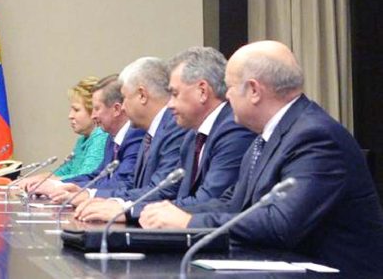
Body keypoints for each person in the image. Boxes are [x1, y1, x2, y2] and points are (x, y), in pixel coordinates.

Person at [141, 41, 383, 276]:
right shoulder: (266, 137)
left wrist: (189, 222)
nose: (227, 98)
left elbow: (280, 223)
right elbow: (234, 203)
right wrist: (171, 211)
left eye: (230, 88)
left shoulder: (315, 136)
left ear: (254, 91)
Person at [133, 47, 254, 218]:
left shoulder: (234, 129)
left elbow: (210, 199)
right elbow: (170, 188)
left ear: (202, 91)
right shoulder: (192, 135)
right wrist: (123, 207)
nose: (169, 105)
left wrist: (134, 211)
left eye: (175, 94)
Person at [71, 56, 185, 222]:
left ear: (142, 95)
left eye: (124, 98)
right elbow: (135, 186)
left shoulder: (173, 129)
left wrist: (121, 207)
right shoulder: (150, 131)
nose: (122, 107)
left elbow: (162, 190)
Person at [19, 77, 109, 192]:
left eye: (76, 110)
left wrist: (44, 183)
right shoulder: (83, 139)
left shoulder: (100, 136)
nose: (70, 116)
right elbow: (63, 172)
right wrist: (32, 180)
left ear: (93, 111)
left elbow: (85, 177)